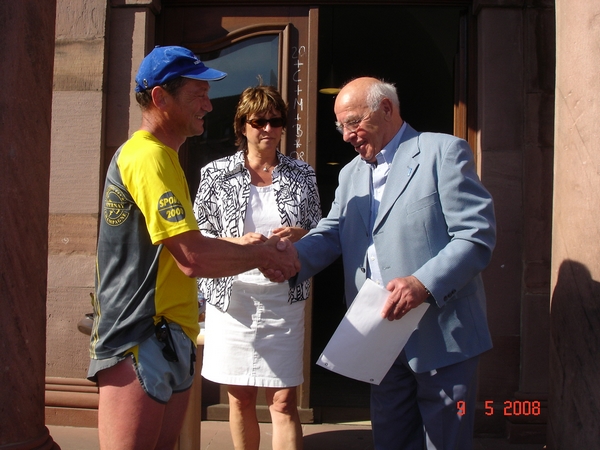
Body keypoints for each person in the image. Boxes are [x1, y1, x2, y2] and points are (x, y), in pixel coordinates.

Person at [88, 46, 300, 450]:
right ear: (159, 98)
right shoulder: (147, 158)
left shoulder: (163, 156)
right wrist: (262, 254)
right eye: (197, 94)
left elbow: (181, 247)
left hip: (167, 335)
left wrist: (238, 244)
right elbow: (192, 257)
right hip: (139, 337)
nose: (208, 104)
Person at [292, 77, 496, 449]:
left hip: (441, 335)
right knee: (390, 440)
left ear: (386, 108)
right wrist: (287, 259)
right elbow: (332, 232)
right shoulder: (349, 173)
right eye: (341, 126)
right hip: (379, 337)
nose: (346, 135)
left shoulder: (443, 152)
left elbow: (475, 236)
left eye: (353, 122)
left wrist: (422, 283)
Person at [193, 84, 321, 450]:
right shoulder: (215, 174)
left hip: (284, 298)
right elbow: (199, 233)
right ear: (242, 126)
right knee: (240, 398)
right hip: (233, 299)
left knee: (282, 400)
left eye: (275, 121)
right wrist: (237, 242)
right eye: (259, 121)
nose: (268, 129)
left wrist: (301, 233)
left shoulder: (303, 175)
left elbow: (322, 231)